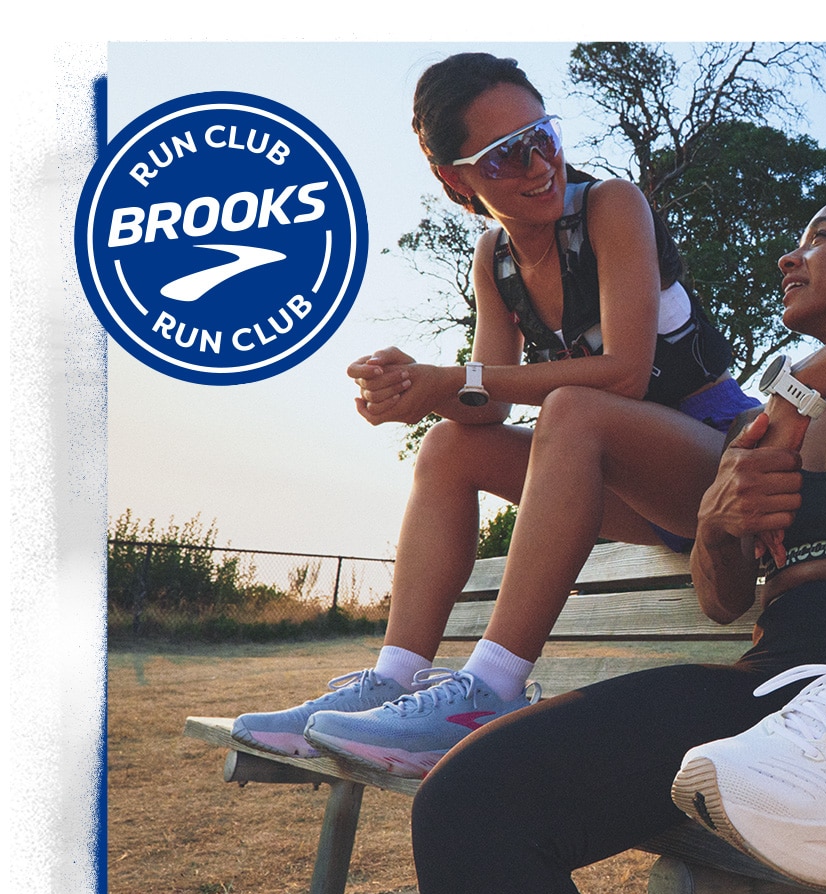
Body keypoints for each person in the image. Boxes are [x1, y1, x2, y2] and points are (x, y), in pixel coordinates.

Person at [410, 196, 826, 894]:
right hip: (780, 695)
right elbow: (724, 599)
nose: (790, 258)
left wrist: (795, 390)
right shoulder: (764, 428)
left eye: (819, 239)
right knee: (469, 802)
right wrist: (719, 527)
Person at [231, 52, 758, 775]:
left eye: (544, 135)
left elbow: (628, 373)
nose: (540, 163)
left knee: (575, 408)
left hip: (719, 467)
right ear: (457, 179)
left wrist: (458, 376)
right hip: (638, 493)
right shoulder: (496, 259)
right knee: (449, 447)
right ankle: (393, 676)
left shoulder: (611, 207)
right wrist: (420, 390)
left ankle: (491, 690)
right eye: (507, 154)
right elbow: (488, 404)